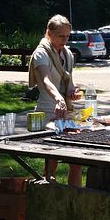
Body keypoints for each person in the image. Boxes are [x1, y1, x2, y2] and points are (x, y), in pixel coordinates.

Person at [28, 15, 83, 187]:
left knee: (77, 159)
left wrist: (72, 92)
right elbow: (45, 80)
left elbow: (69, 83)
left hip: (66, 112)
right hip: (47, 110)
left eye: (68, 36)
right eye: (61, 36)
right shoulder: (41, 53)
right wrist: (59, 98)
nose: (65, 40)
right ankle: (49, 195)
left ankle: (75, 197)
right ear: (49, 33)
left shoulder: (67, 54)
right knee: (51, 160)